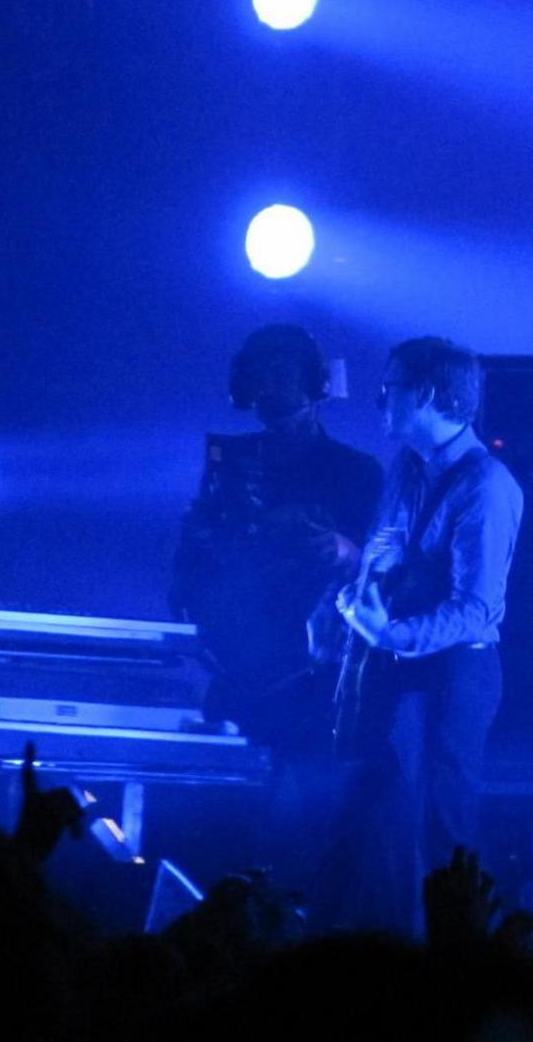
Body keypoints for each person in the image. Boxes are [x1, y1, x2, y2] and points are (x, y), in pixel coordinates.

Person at [317, 337, 523, 932]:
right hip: (396, 665)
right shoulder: (407, 466)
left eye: (392, 387)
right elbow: (384, 553)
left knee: (441, 832)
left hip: (455, 675)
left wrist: (391, 633)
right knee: (356, 816)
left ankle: (452, 971)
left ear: (429, 395)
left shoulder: (486, 486)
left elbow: (477, 609)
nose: (380, 398)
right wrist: (344, 607)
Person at [170, 324, 381, 882]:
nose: (272, 390)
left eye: (284, 376)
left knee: (306, 831)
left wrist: (344, 549)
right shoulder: (227, 465)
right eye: (261, 377)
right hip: (235, 662)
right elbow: (195, 562)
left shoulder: (357, 472)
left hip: (315, 676)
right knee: (225, 832)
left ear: (314, 385)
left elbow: (389, 569)